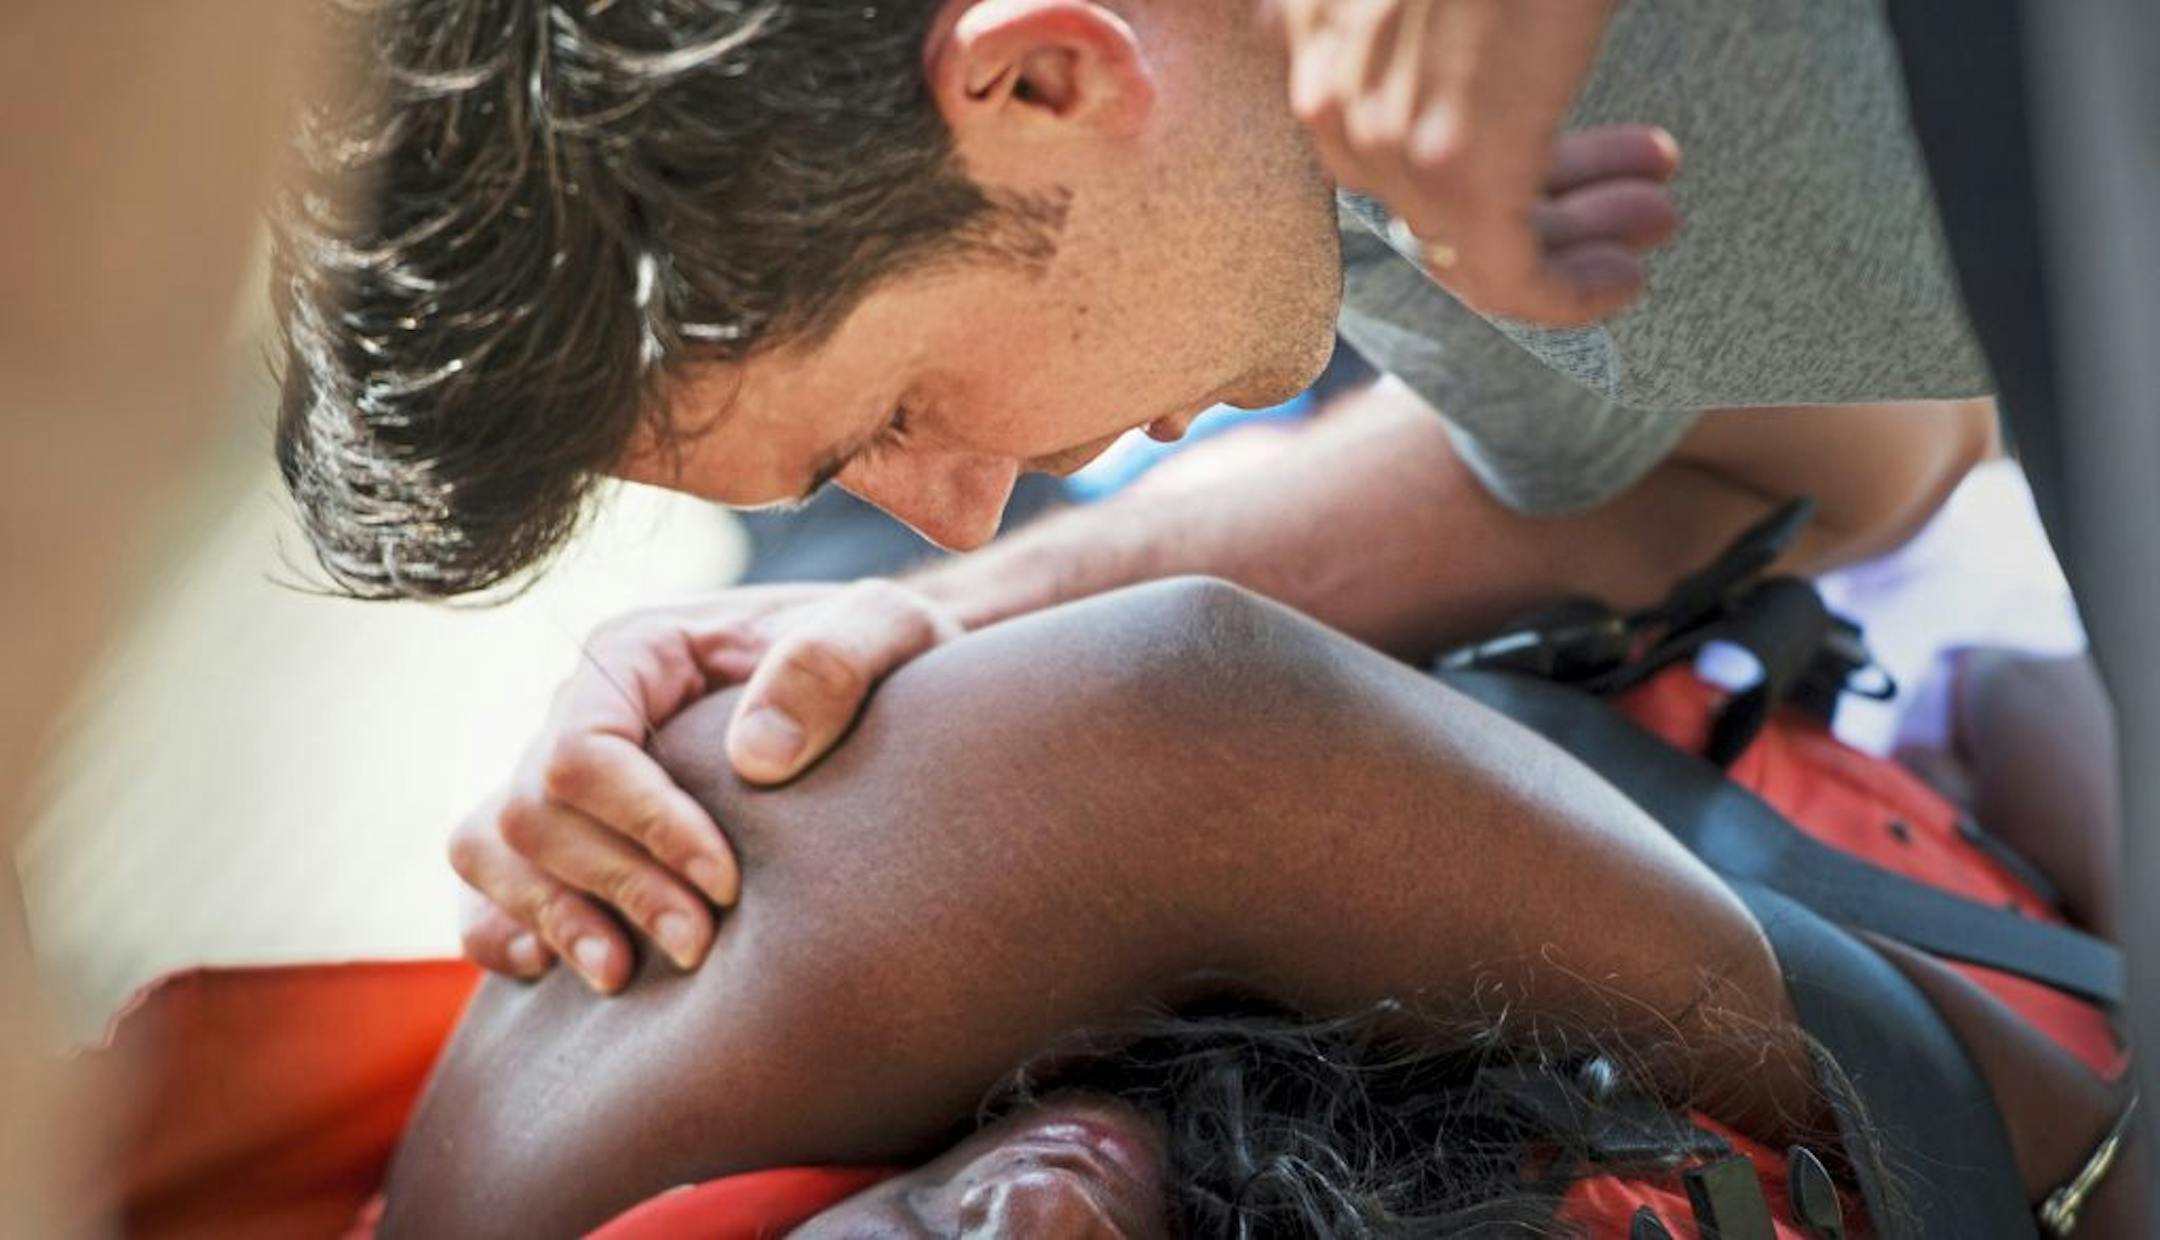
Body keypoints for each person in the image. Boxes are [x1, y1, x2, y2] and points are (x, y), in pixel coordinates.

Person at [270, 0, 1998, 989]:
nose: (950, 507)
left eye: (892, 412)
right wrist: (921, 625)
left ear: (1041, 80)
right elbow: (1828, 461)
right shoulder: (1326, 200)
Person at [378, 578, 2139, 1237]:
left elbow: (1189, 704)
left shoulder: (552, 1176)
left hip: (1579, 608)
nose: (1034, 1235)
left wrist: (2058, 1166)